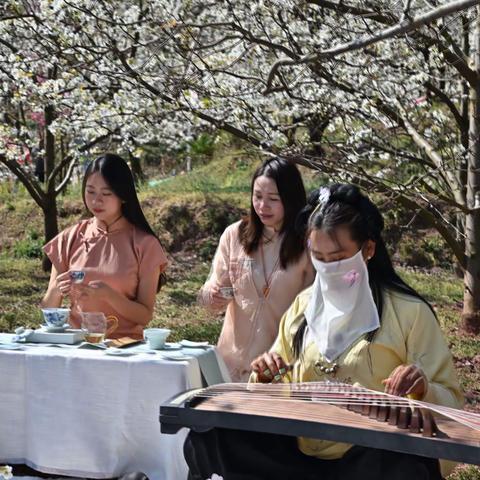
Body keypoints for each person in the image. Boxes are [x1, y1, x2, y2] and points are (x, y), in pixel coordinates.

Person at [185, 183, 463, 480]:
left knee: (403, 465)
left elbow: (450, 402)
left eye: (339, 257)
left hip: (366, 460)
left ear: (368, 249)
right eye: (320, 257)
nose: (329, 268)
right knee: (214, 436)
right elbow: (283, 383)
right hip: (300, 452)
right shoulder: (303, 307)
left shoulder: (409, 313)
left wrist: (422, 388)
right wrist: (268, 377)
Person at [199, 157, 315, 381]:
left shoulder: (308, 245)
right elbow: (208, 294)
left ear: (291, 199)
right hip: (226, 365)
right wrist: (210, 295)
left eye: (273, 199)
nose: (262, 206)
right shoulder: (235, 235)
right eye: (257, 196)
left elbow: (313, 314)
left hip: (276, 370)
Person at [41, 153, 168, 340]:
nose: (96, 201)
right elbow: (47, 309)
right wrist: (55, 291)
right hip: (76, 344)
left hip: (124, 347)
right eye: (90, 191)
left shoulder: (144, 244)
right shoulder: (69, 238)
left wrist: (109, 296)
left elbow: (145, 315)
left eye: (106, 193)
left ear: (123, 195)